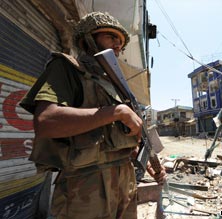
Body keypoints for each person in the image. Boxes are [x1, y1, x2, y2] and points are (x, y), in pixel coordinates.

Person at [20, 11, 166, 219]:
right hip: (85, 188)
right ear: (89, 40)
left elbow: (116, 138)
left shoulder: (117, 86)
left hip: (125, 181)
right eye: (111, 37)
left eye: (120, 42)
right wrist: (116, 112)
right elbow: (46, 121)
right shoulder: (67, 68)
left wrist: (146, 162)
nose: (118, 45)